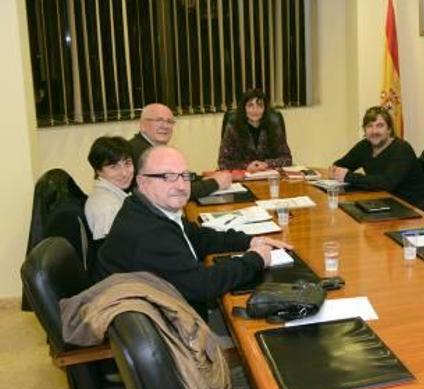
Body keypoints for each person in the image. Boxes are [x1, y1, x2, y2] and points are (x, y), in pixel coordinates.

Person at [96, 146, 290, 318]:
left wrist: (250, 241)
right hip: (171, 330)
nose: (180, 185)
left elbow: (198, 237)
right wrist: (256, 258)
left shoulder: (146, 208)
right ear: (143, 182)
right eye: (167, 177)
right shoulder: (149, 233)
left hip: (171, 310)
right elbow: (203, 285)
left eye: (184, 175)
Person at [327, 106, 424, 206]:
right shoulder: (364, 146)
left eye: (380, 126)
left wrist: (348, 176)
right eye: (370, 126)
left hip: (411, 208)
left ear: (389, 129)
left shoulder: (402, 149)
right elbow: (341, 165)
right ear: (364, 130)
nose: (374, 131)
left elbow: (387, 183)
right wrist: (334, 170)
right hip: (382, 201)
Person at [130, 103, 232, 199]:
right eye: (159, 120)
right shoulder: (141, 153)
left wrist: (202, 178)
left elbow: (179, 176)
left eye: (169, 122)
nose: (165, 126)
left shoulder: (152, 147)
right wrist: (215, 183)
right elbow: (174, 191)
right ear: (142, 125)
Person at [218, 88, 293, 172]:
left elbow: (287, 159)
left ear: (265, 109)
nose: (255, 110)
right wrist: (246, 166)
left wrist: (266, 164)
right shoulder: (233, 128)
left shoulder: (273, 126)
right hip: (242, 178)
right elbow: (223, 162)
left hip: (268, 177)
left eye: (260, 105)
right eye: (250, 105)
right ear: (244, 108)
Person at [84, 136, 134, 241]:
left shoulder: (115, 195)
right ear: (98, 171)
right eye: (114, 167)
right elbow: (112, 252)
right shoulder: (106, 206)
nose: (124, 173)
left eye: (127, 163)